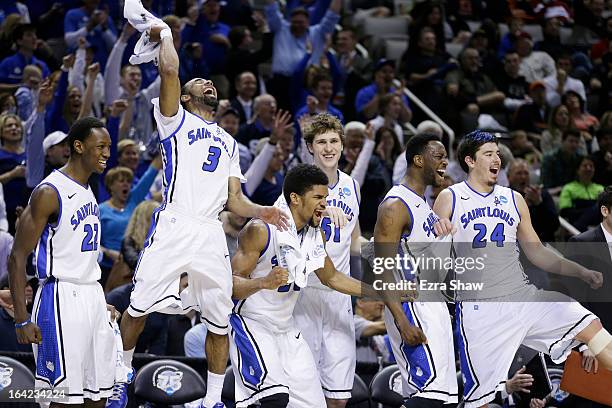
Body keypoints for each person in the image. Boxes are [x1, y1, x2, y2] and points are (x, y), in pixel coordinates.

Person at [111, 21, 289, 408]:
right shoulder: (174, 119)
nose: (208, 84)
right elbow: (171, 71)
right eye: (200, 84)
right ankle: (119, 380)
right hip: (176, 220)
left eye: (210, 82)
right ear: (187, 98)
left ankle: (211, 399)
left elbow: (234, 201)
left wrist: (265, 211)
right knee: (139, 305)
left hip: (210, 231)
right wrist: (167, 37)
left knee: (219, 318)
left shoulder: (227, 140)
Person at [432, 130, 611, 408]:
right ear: (469, 160)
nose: (497, 158)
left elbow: (537, 251)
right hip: (480, 307)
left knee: (591, 325)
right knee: (480, 400)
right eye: (488, 153)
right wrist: (439, 229)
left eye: (498, 153)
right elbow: (434, 243)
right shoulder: (450, 197)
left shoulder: (513, 199)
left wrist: (580, 271)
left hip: (522, 295)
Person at [230, 164, 380, 407]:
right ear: (295, 198)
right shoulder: (261, 230)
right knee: (274, 397)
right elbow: (231, 285)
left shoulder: (314, 234)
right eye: (318, 197)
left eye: (326, 198)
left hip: (286, 329)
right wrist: (263, 282)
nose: (325, 204)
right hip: (252, 324)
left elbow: (332, 278)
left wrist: (381, 292)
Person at [7, 117, 119, 404]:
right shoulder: (49, 192)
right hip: (60, 298)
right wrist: (21, 318)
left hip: (90, 294)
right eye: (101, 146)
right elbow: (17, 257)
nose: (107, 153)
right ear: (78, 146)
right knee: (62, 398)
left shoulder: (88, 189)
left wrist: (96, 297)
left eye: (109, 146)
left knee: (99, 395)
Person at [373, 132, 458, 407]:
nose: (446, 163)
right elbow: (381, 267)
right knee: (428, 396)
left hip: (434, 306)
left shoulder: (426, 207)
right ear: (419, 160)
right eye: (439, 156)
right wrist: (401, 320)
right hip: (411, 307)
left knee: (441, 399)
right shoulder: (395, 205)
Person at [292, 114, 363, 407]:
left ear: (343, 146)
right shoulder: (296, 185)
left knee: (339, 395)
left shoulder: (352, 185)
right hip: (305, 294)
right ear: (310, 147)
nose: (328, 147)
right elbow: (287, 233)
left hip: (339, 296)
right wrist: (318, 214)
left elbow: (355, 241)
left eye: (334, 141)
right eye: (321, 142)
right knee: (304, 391)